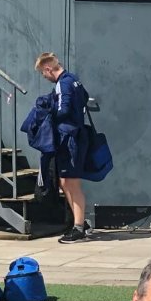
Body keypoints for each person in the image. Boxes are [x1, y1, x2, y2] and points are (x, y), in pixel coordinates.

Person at [35, 52, 91, 243]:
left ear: (48, 69)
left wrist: (50, 114)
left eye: (43, 73)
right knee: (65, 182)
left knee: (71, 182)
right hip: (75, 135)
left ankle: (79, 228)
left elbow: (63, 109)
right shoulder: (74, 79)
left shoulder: (63, 83)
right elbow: (85, 97)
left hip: (69, 138)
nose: (45, 77)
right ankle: (78, 221)